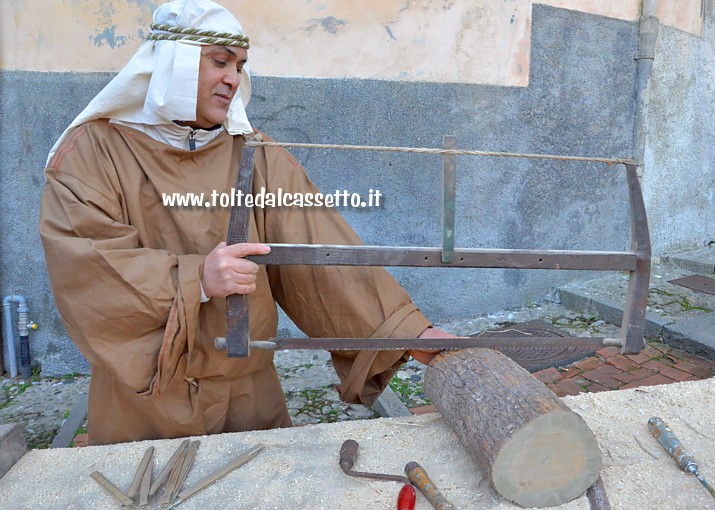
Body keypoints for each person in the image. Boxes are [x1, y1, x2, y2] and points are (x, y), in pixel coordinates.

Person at [39, 0, 450, 445]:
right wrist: (198, 278)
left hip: (248, 390)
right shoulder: (92, 153)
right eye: (219, 61)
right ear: (174, 61)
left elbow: (317, 247)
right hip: (147, 401)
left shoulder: (254, 154)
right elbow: (88, 267)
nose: (233, 78)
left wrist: (405, 331)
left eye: (239, 65)